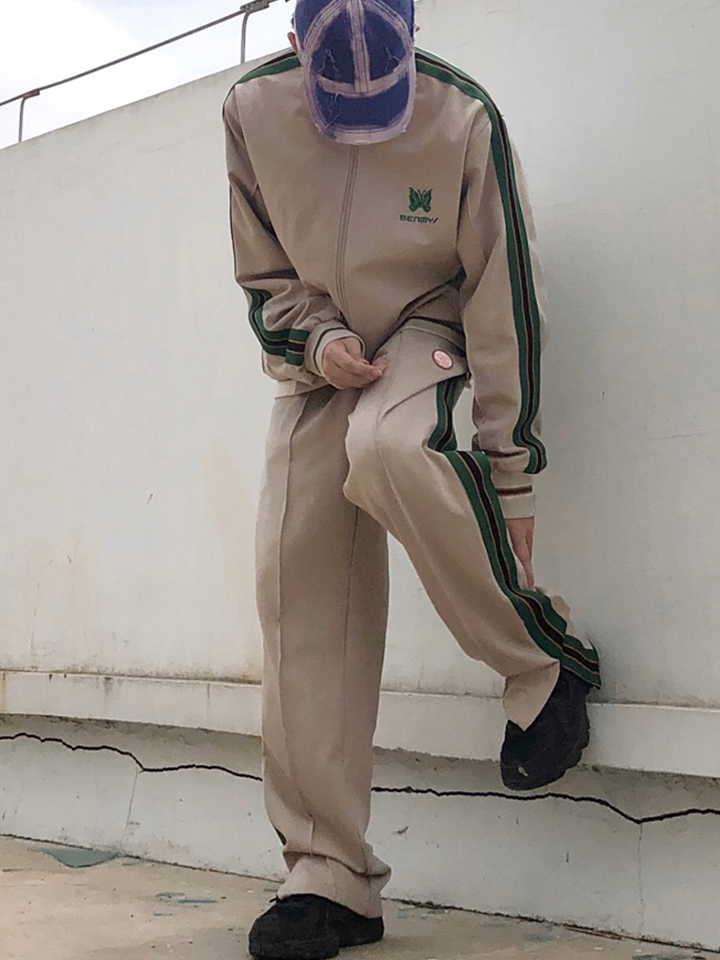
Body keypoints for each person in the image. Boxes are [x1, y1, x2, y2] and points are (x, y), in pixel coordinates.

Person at [223, 1, 601, 956]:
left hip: (425, 326)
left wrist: (511, 476)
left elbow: (506, 295)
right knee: (293, 572)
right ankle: (330, 878)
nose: (362, 124)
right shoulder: (251, 112)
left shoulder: (464, 118)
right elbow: (264, 276)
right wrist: (318, 338)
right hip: (321, 355)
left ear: (414, 39)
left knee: (389, 447)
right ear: (296, 47)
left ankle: (541, 662)